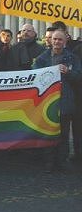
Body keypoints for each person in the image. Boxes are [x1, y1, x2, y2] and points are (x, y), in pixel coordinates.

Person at [33, 30, 81, 173]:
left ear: (65, 41)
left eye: (60, 40)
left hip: (65, 100)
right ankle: (49, 161)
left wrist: (68, 72)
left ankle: (62, 161)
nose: (57, 42)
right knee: (48, 132)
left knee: (64, 134)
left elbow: (79, 76)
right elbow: (33, 73)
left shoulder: (72, 58)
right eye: (54, 39)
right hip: (47, 101)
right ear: (50, 40)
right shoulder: (42, 58)